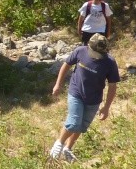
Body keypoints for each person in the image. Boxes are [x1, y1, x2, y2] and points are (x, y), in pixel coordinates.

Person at [49, 33, 120, 162]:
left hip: (93, 100)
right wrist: (58, 84)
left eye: (100, 55)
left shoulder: (109, 62)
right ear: (89, 47)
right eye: (95, 54)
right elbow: (66, 64)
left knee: (81, 126)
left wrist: (106, 107)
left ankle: (68, 149)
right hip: (76, 92)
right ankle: (59, 144)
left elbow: (112, 86)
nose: (97, 57)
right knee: (74, 122)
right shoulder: (80, 51)